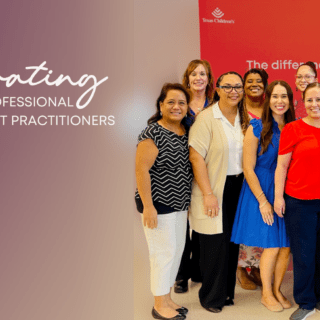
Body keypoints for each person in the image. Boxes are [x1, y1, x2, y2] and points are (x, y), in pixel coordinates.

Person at [232, 80, 295, 312]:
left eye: (284, 97)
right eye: (275, 96)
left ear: (290, 100)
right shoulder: (256, 127)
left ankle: (277, 289)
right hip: (260, 189)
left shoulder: (294, 127)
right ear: (268, 99)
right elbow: (248, 168)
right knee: (271, 245)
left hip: (285, 190)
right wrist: (262, 201)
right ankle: (266, 294)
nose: (280, 102)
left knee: (285, 245)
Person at [135, 83, 193, 320]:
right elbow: (141, 171)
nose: (176, 106)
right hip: (158, 204)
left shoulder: (183, 131)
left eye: (181, 102)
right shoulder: (152, 132)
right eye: (171, 102)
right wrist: (149, 206)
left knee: (176, 251)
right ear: (161, 105)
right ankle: (159, 304)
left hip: (179, 203)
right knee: (162, 253)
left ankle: (167, 298)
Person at [188, 71, 245, 313]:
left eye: (238, 87)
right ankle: (210, 297)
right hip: (214, 187)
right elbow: (196, 156)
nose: (234, 91)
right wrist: (208, 193)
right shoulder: (206, 118)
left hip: (239, 187)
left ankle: (226, 293)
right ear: (217, 89)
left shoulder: (245, 118)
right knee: (214, 244)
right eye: (228, 86)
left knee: (231, 243)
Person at [274, 82, 320, 320]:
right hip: (300, 201)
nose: (315, 104)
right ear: (303, 102)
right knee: (303, 253)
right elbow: (282, 165)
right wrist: (278, 197)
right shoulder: (293, 128)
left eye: (319, 99)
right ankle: (306, 302)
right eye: (310, 100)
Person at [174, 59, 214, 294]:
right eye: (194, 74)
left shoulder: (215, 104)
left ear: (209, 78)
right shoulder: (179, 102)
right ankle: (181, 275)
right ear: (187, 78)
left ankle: (198, 269)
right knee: (181, 224)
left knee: (201, 221)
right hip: (181, 169)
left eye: (203, 73)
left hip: (208, 169)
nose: (198, 78)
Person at [236, 68, 269, 290]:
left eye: (259, 81)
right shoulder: (237, 110)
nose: (254, 84)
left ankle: (256, 267)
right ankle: (241, 269)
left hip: (263, 173)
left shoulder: (270, 109)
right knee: (244, 222)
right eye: (249, 81)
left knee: (261, 223)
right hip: (239, 173)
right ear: (243, 86)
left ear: (266, 85)